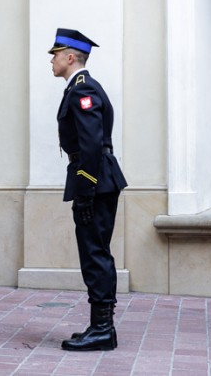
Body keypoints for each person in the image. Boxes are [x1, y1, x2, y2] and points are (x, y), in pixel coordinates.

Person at [49, 28, 128, 351]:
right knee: (95, 251)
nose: (51, 60)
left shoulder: (84, 89)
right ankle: (101, 326)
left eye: (55, 55)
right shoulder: (78, 88)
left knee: (95, 253)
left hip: (95, 179)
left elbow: (92, 145)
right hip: (96, 178)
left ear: (70, 57)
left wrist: (85, 190)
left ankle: (103, 329)